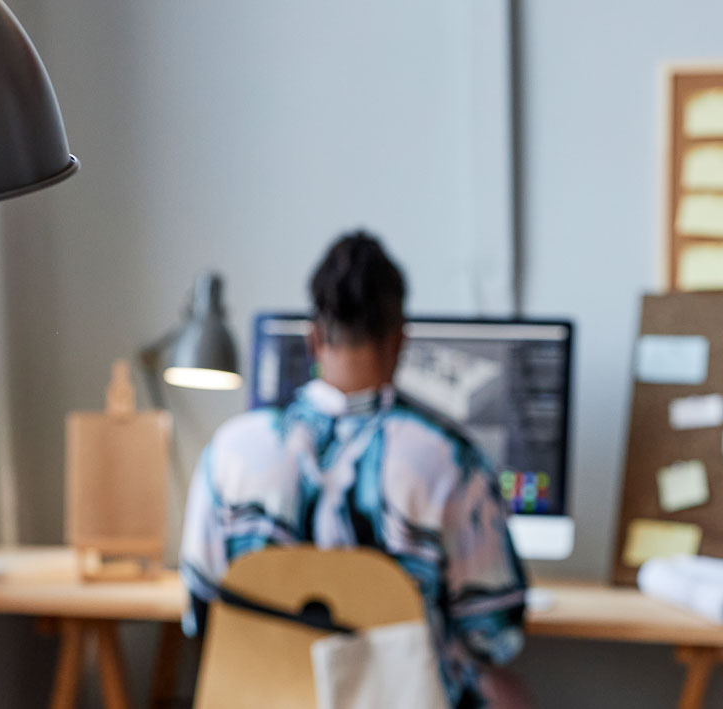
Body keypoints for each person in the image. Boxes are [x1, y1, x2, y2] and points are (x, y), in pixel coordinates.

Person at [180, 231, 530, 709]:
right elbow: (494, 635)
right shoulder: (450, 461)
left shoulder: (230, 450)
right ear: (399, 339)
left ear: (315, 338)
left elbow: (200, 615)